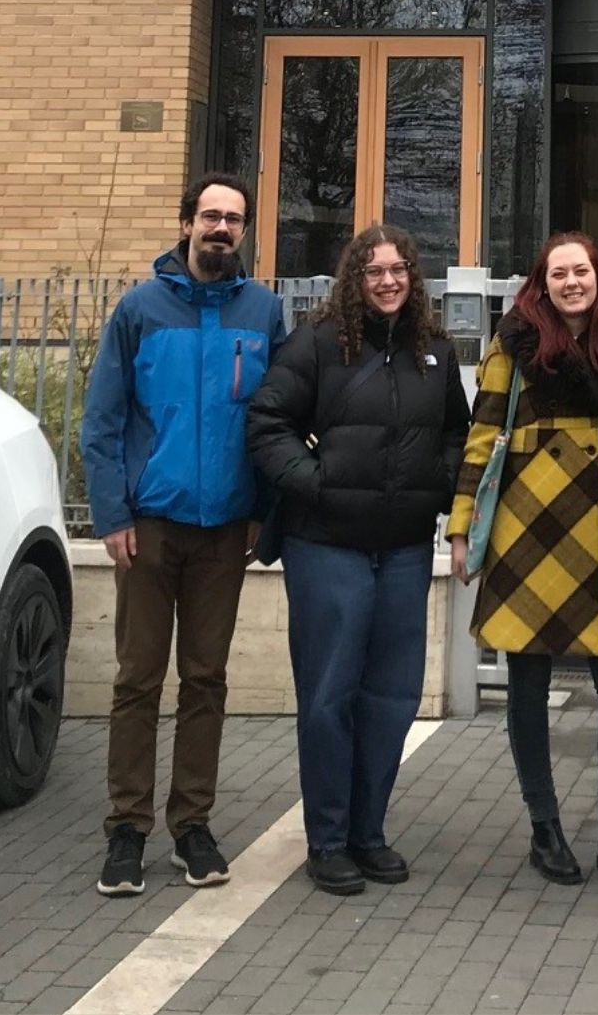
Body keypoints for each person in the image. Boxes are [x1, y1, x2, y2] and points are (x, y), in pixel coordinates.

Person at [246, 224, 471, 897]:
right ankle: (328, 838)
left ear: (413, 276)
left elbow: (457, 433)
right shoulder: (317, 343)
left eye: (399, 269)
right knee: (329, 696)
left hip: (404, 547)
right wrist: (316, 483)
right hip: (327, 545)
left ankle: (369, 832)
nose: (388, 281)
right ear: (355, 278)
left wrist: (437, 483)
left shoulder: (436, 351)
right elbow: (267, 422)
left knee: (393, 697)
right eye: (374, 271)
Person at [80, 174, 284, 897]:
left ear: (244, 230)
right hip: (150, 527)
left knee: (205, 680)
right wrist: (112, 515)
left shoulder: (264, 312)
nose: (221, 228)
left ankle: (192, 824)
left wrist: (263, 511)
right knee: (137, 679)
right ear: (186, 223)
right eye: (210, 215)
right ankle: (127, 828)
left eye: (234, 218)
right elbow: (102, 421)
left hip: (225, 529)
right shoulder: (140, 309)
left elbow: (277, 420)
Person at [448, 233, 598, 890]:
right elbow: (483, 435)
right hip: (527, 528)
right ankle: (545, 827)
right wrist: (462, 528)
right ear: (542, 282)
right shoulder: (514, 341)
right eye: (558, 273)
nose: (571, 282)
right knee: (528, 686)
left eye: (581, 271)